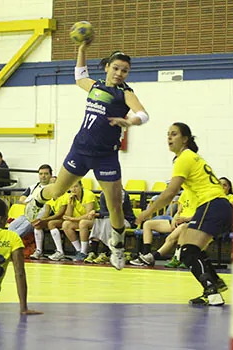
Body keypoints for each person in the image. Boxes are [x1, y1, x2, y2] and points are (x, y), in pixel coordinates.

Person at [24, 38, 149, 271]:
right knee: (57, 190)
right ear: (107, 68)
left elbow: (143, 114)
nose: (120, 73)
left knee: (115, 205)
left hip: (106, 156)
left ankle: (118, 247)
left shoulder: (125, 93)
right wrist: (82, 49)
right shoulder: (95, 86)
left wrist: (129, 120)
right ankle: (39, 196)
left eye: (125, 70)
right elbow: (80, 76)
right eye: (116, 68)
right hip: (80, 150)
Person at [136, 123, 233, 306]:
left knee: (187, 251)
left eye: (174, 134)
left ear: (185, 139)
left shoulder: (184, 158)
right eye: (168, 135)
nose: (169, 138)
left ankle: (212, 289)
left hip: (212, 204)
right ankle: (213, 286)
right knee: (189, 250)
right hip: (219, 206)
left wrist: (147, 212)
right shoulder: (193, 157)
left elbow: (170, 193)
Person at [130, 189, 197, 267]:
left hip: (190, 223)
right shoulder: (185, 193)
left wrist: (185, 219)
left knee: (170, 238)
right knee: (147, 224)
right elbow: (179, 211)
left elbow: (200, 215)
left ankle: (153, 257)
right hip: (179, 221)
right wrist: (174, 219)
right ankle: (146, 254)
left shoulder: (201, 195)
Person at [84, 189, 136, 264]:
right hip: (110, 219)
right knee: (98, 220)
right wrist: (95, 212)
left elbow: (117, 211)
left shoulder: (121, 193)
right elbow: (103, 211)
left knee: (109, 221)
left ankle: (105, 253)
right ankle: (93, 251)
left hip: (125, 220)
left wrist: (98, 213)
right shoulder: (103, 193)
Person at [8, 165, 53, 238]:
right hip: (29, 213)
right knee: (13, 224)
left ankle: (11, 241)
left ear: (51, 175)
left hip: (42, 215)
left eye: (46, 174)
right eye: (41, 174)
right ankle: (9, 240)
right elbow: (21, 199)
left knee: (27, 224)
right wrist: (32, 203)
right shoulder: (33, 187)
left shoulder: (53, 188)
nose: (43, 176)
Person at [29, 179, 69, 261]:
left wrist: (45, 220)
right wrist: (40, 220)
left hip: (65, 219)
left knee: (51, 223)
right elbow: (46, 212)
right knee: (37, 224)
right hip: (55, 219)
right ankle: (39, 251)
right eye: (51, 184)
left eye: (55, 183)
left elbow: (59, 214)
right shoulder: (49, 197)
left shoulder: (65, 196)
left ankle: (60, 252)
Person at [60, 180, 99, 261]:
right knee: (66, 224)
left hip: (96, 220)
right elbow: (68, 216)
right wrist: (70, 203)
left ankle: (84, 252)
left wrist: (74, 219)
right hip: (81, 220)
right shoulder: (71, 197)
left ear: (81, 186)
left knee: (83, 223)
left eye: (76, 186)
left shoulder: (89, 195)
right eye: (71, 187)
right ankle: (79, 250)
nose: (74, 189)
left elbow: (89, 215)